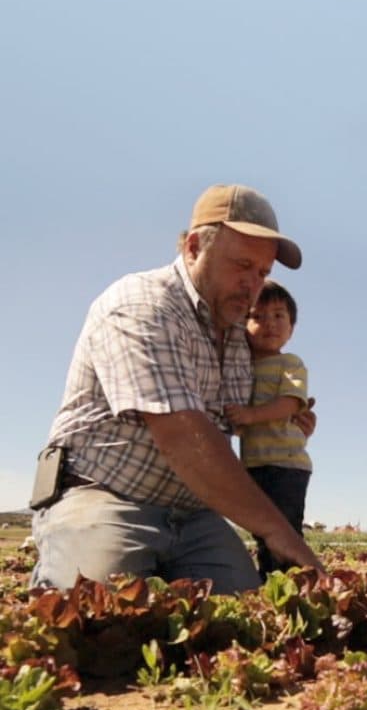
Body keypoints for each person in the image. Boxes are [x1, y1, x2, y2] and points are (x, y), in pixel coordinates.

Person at [30, 183, 323, 593]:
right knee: (102, 614)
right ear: (194, 248)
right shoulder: (142, 305)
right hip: (105, 498)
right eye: (242, 264)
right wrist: (278, 530)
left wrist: (287, 419)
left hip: (194, 516)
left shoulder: (238, 336)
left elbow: (244, 413)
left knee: (247, 612)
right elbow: (183, 435)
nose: (253, 284)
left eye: (262, 272)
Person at [225, 280, 312, 580]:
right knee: (263, 530)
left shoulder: (290, 363)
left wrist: (250, 415)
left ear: (291, 328)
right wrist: (240, 420)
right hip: (254, 465)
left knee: (285, 527)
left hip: (287, 465)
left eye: (278, 315)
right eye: (257, 316)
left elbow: (290, 402)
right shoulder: (241, 368)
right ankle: (271, 580)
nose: (269, 323)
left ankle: (291, 582)